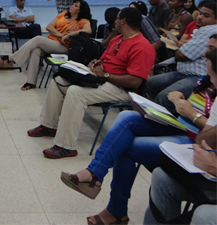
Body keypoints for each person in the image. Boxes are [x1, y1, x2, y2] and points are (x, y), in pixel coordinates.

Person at [62, 47, 217, 225]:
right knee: (127, 117)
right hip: (181, 125)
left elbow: (207, 137)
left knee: (127, 147)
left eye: (211, 49)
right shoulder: (206, 80)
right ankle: (95, 173)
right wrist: (182, 99)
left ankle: (114, 208)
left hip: (194, 139)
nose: (204, 53)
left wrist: (193, 115)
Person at [28, 7, 155, 159]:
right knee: (59, 80)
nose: (114, 21)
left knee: (76, 92)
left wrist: (105, 74)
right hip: (101, 78)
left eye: (117, 18)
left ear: (124, 21)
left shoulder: (142, 46)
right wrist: (97, 63)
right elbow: (106, 59)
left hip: (121, 88)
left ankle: (65, 146)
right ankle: (49, 126)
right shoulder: (118, 38)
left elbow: (135, 80)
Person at [0, 0, 92, 91]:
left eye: (75, 6)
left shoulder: (82, 20)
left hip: (63, 46)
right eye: (73, 4)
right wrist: (60, 35)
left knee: (37, 39)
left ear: (80, 10)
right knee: (36, 50)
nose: (72, 6)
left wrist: (71, 34)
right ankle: (31, 82)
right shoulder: (63, 14)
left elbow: (88, 30)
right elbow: (49, 27)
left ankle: (12, 58)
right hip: (51, 42)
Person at [146, 0, 217, 114]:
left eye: (206, 15)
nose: (200, 17)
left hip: (197, 76)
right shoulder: (200, 28)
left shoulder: (209, 30)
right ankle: (170, 114)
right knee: (151, 83)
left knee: (164, 97)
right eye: (200, 13)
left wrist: (183, 49)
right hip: (183, 72)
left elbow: (182, 54)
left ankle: (169, 124)